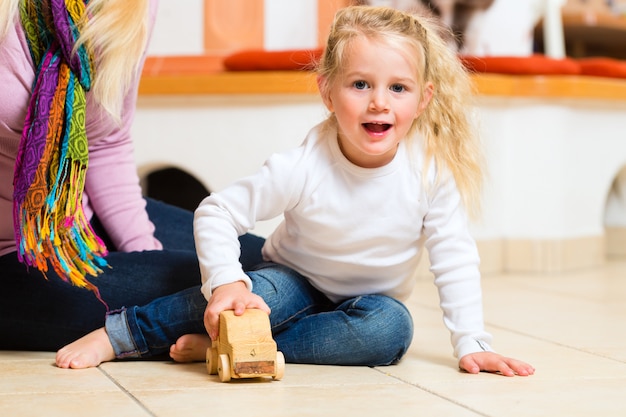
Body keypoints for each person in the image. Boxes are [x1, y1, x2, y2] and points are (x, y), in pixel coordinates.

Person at [56, 5, 535, 377]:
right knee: (254, 294)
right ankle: (120, 337)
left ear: (423, 98)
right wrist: (227, 282)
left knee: (392, 330)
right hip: (293, 279)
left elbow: (454, 257)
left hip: (366, 301)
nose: (378, 102)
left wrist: (472, 341)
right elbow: (216, 211)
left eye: (398, 88)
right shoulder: (305, 165)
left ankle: (242, 350)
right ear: (328, 92)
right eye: (361, 84)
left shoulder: (430, 173)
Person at [0, 0, 265, 351]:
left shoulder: (131, 7)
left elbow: (107, 142)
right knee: (237, 286)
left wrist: (145, 255)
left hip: (80, 227)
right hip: (14, 254)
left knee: (273, 259)